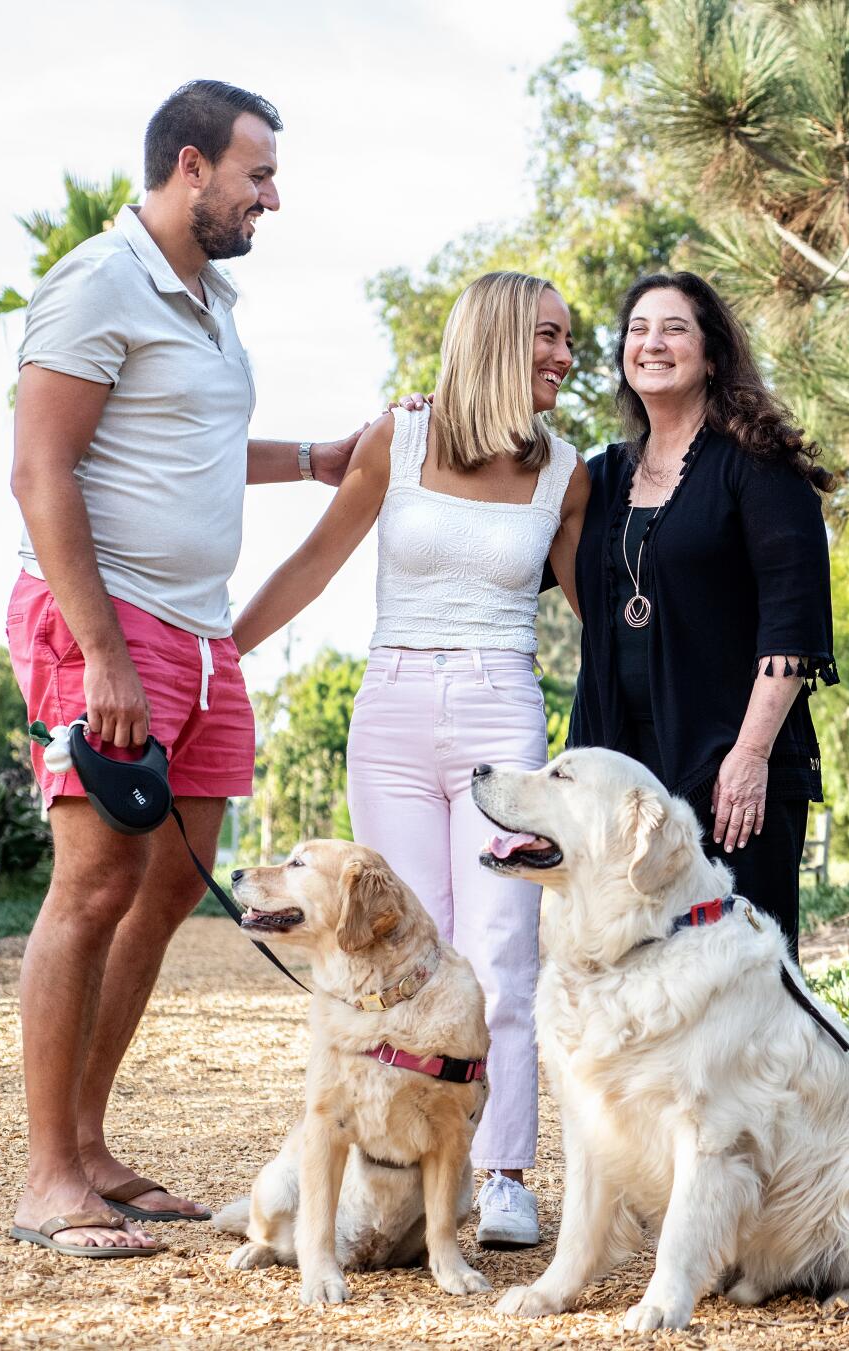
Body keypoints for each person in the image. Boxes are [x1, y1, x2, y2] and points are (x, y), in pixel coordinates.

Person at [4, 80, 365, 1258]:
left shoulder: (210, 297)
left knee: (170, 888)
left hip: (200, 635)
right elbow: (41, 475)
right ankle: (46, 1175)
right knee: (94, 888)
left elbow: (192, 441)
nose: (273, 196)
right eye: (258, 175)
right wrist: (100, 651)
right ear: (192, 166)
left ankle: (92, 1143)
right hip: (110, 620)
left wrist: (314, 457)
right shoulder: (100, 282)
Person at [231, 271, 588, 1249]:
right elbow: (312, 561)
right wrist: (222, 654)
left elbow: (603, 618)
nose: (565, 355)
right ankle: (397, 1183)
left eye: (567, 339)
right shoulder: (401, 439)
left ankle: (503, 1171)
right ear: (497, 341)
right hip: (389, 709)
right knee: (392, 954)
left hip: (499, 708)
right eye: (548, 337)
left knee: (503, 955)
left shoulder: (566, 471)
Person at [563, 272, 835, 950]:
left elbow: (791, 625)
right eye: (638, 330)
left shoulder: (759, 462)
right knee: (632, 965)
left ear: (712, 354)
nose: (651, 343)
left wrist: (750, 756)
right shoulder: (599, 477)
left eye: (674, 328)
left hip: (732, 762)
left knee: (742, 971)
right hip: (622, 769)